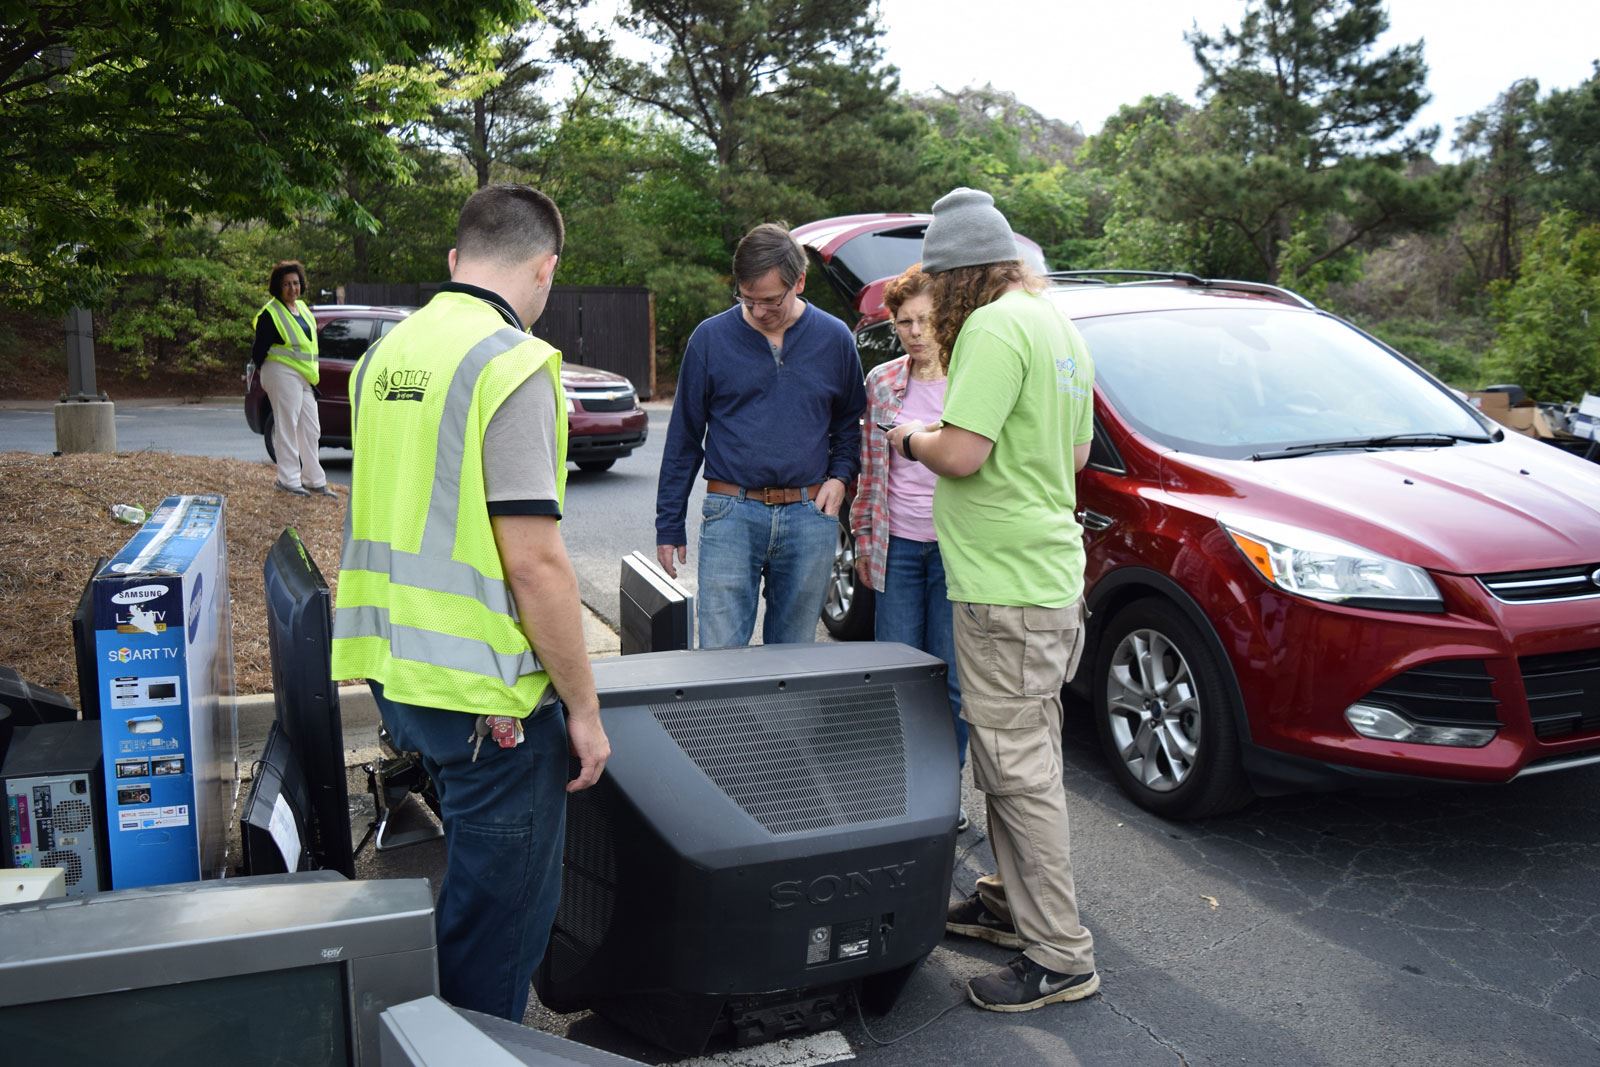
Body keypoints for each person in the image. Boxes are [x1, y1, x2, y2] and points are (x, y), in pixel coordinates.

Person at [330, 184, 611, 1022]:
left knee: (469, 898)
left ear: (456, 261)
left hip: (396, 668)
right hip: (490, 699)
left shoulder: (388, 354)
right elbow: (536, 563)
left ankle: (431, 1030)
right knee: (499, 926)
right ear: (545, 269)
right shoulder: (513, 360)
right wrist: (586, 709)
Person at [885, 187, 1099, 1013]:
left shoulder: (993, 328)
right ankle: (1012, 900)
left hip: (1005, 585)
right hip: (1045, 576)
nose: (934, 303)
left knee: (1017, 771)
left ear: (962, 274)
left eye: (941, 284)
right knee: (1024, 756)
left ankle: (1060, 956)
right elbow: (1074, 450)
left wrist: (908, 437)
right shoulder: (1057, 324)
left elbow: (964, 452)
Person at [655, 223, 867, 648]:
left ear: (799, 282)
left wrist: (840, 478)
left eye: (770, 300)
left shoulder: (835, 339)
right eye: (746, 298)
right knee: (719, 655)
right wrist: (669, 523)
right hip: (731, 512)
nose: (757, 310)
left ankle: (782, 720)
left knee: (793, 658)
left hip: (810, 516)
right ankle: (726, 721)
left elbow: (849, 423)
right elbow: (684, 437)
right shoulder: (710, 339)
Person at [849, 264, 968, 830]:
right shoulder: (883, 382)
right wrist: (862, 534)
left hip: (956, 551)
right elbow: (871, 473)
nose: (916, 332)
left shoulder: (972, 380)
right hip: (896, 544)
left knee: (951, 681)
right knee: (896, 678)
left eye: (926, 320)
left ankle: (944, 799)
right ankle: (895, 798)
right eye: (904, 322)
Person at [252, 260, 333, 496]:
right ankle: (288, 479)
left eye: (296, 283)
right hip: (281, 371)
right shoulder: (271, 313)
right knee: (287, 425)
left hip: (304, 376)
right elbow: (258, 350)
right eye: (286, 284)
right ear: (277, 286)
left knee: (311, 428)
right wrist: (266, 373)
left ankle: (313, 479)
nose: (292, 288)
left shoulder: (304, 309)